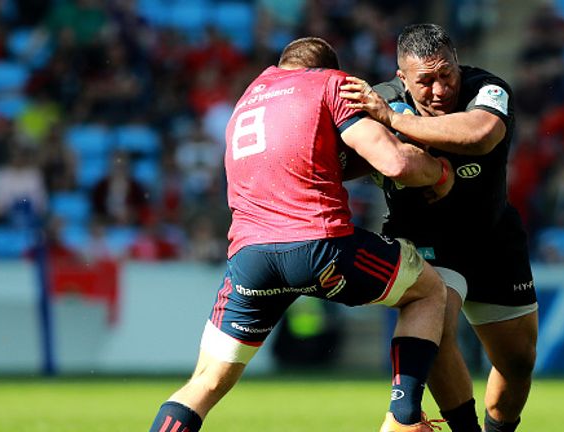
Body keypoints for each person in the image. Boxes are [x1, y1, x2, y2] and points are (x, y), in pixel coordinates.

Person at [148, 36, 456, 432]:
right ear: (328, 68)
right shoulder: (330, 83)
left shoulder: (246, 100)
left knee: (203, 383)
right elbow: (394, 162)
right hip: (318, 244)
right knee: (428, 291)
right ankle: (403, 419)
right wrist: (440, 173)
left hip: (250, 258)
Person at [340, 24, 538, 432]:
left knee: (517, 364)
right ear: (402, 79)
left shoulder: (486, 89)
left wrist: (394, 121)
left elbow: (481, 135)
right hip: (424, 240)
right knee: (438, 328)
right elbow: (341, 157)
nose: (439, 90)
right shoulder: (379, 100)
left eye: (446, 74)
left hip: (493, 239)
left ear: (457, 63)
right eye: (425, 81)